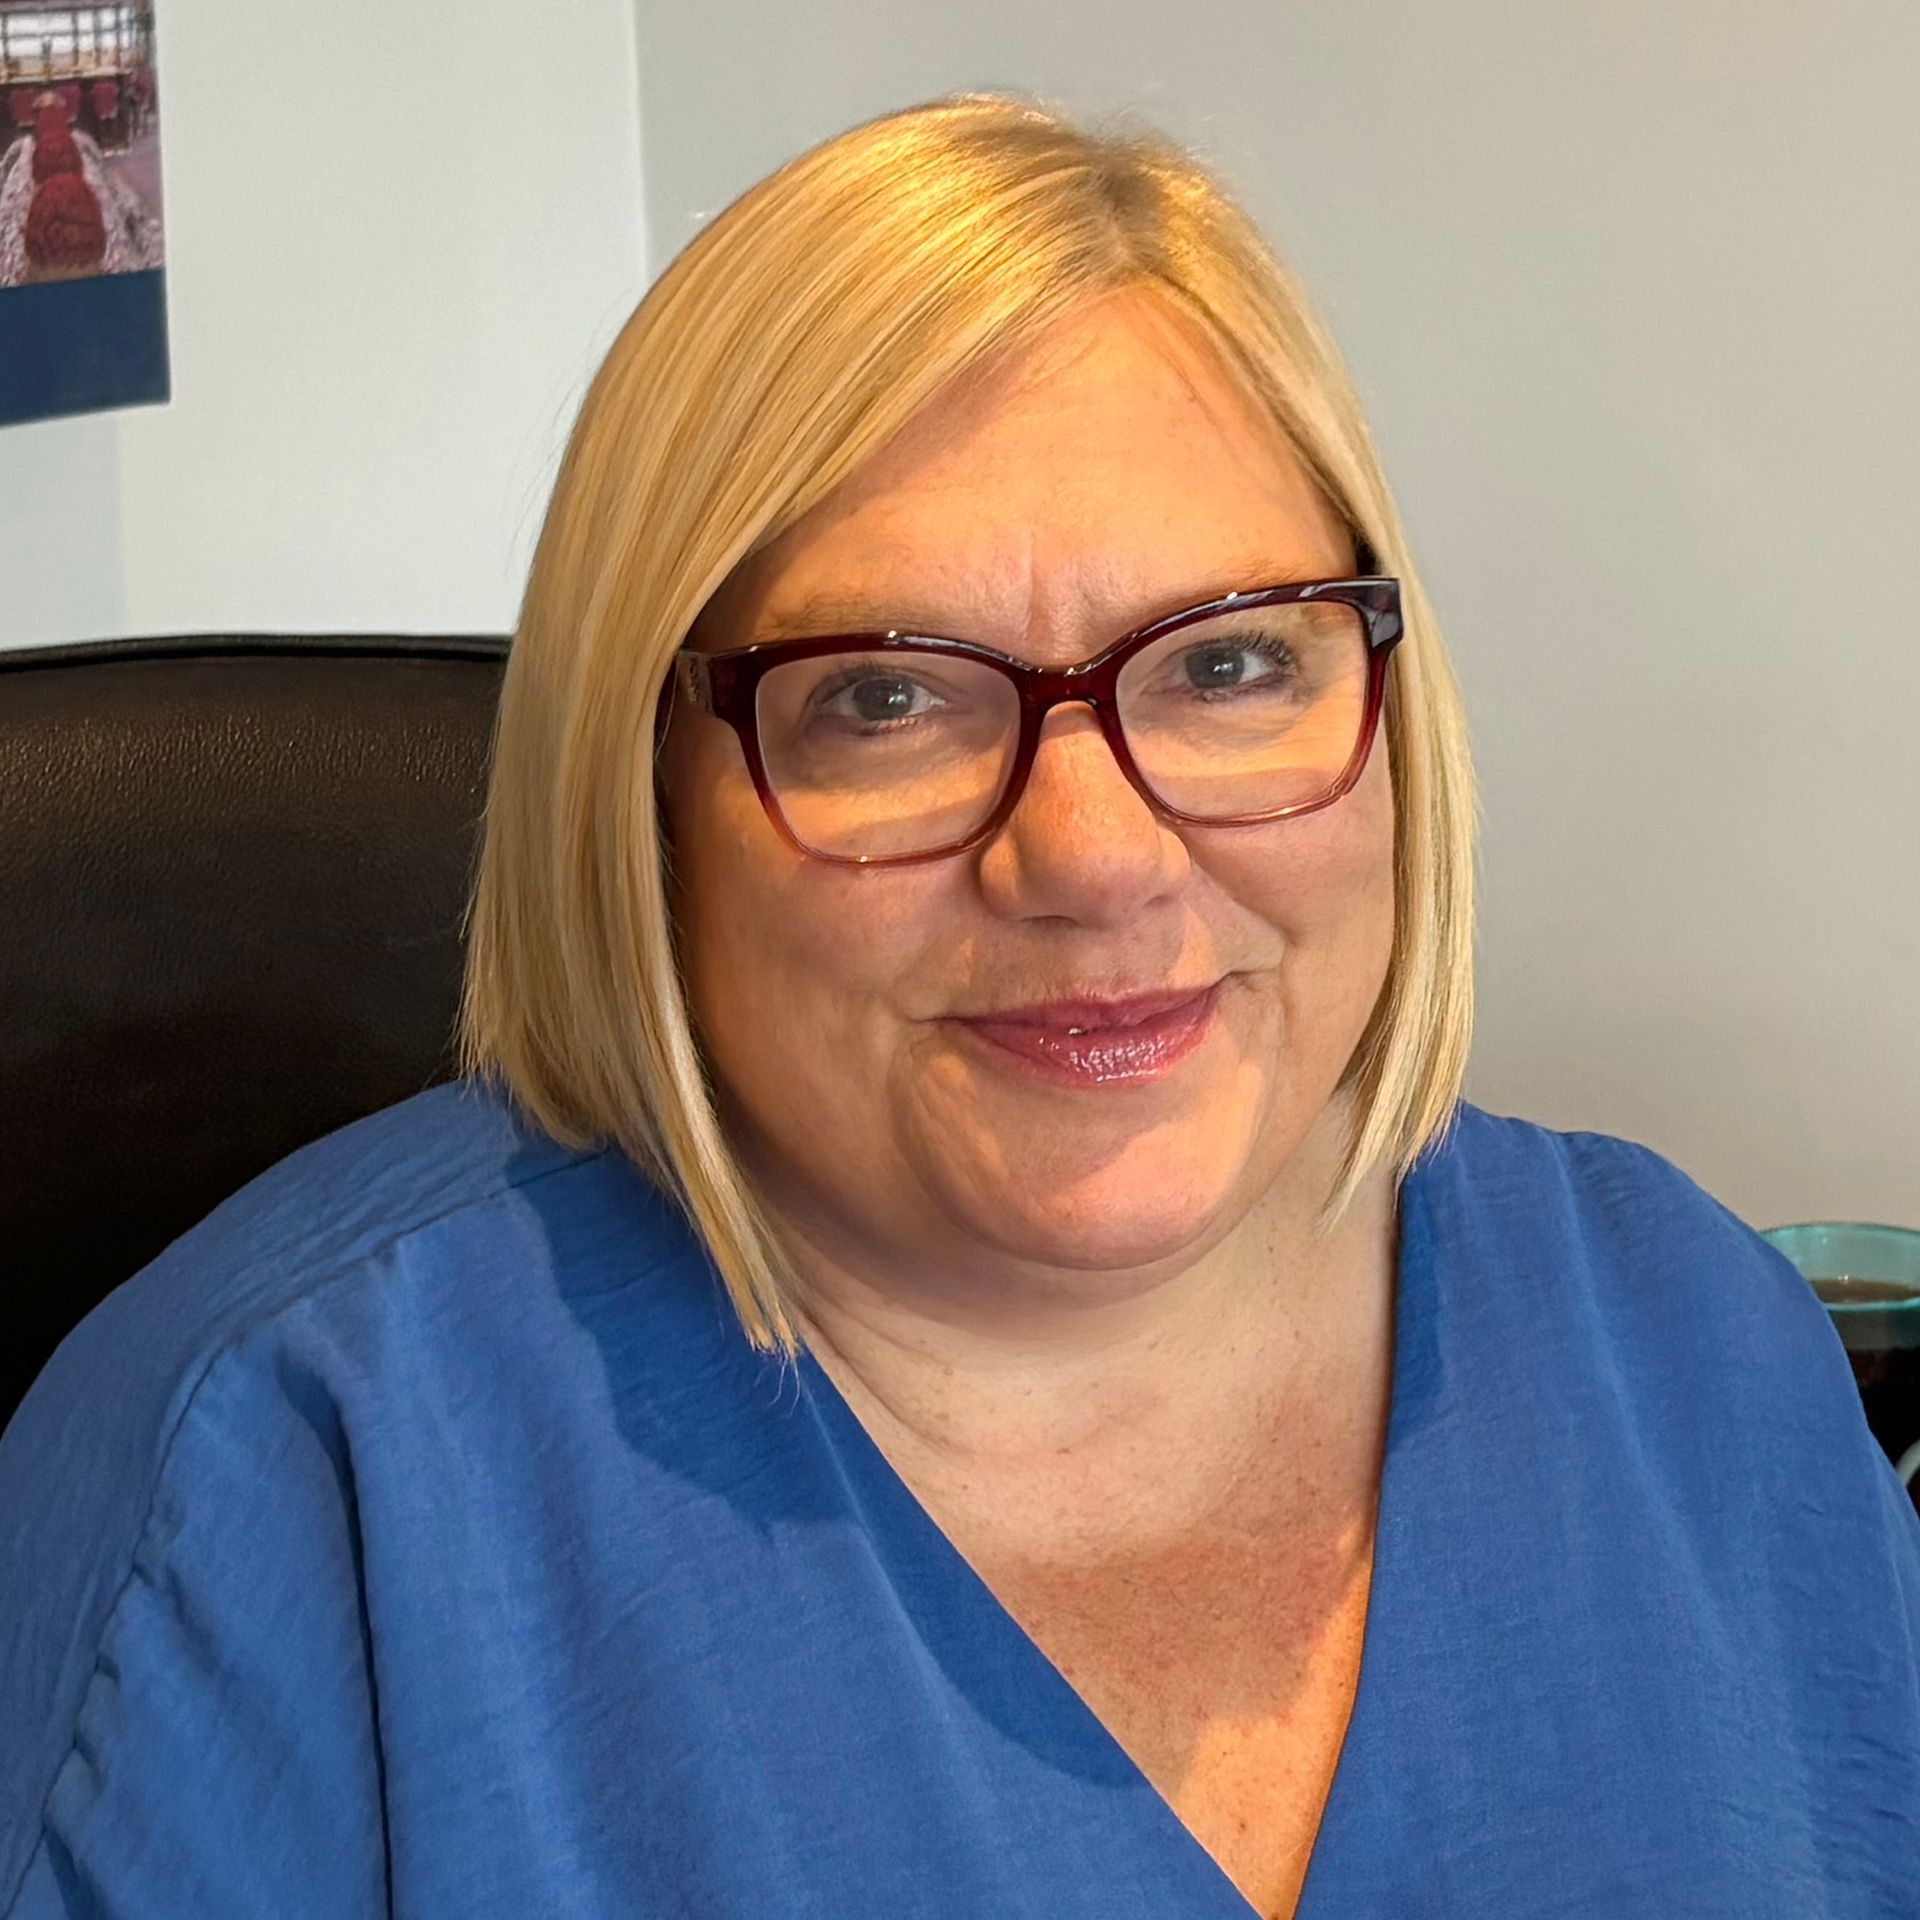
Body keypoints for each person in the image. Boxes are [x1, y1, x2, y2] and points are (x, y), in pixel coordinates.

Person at [1, 91, 1915, 1920]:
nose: (1092, 854)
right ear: (639, 791)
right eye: (887, 698)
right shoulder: (275, 1489)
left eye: (1233, 659)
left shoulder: (1690, 1344)